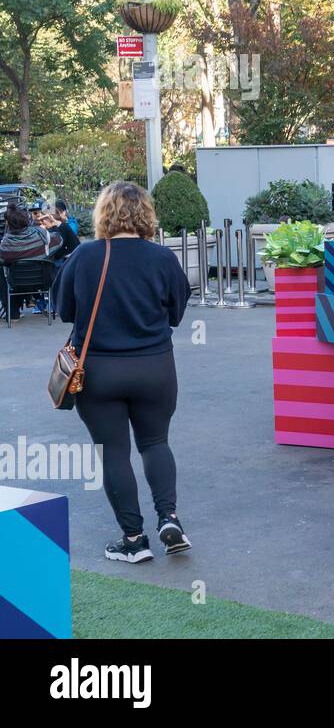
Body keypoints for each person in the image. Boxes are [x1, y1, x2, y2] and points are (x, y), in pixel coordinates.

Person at [52, 182, 193, 563]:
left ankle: (133, 539)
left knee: (113, 452)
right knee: (156, 443)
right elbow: (176, 314)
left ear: (104, 214)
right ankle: (170, 519)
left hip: (99, 371)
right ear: (146, 213)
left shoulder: (84, 257)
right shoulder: (163, 259)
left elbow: (65, 310)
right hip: (155, 368)